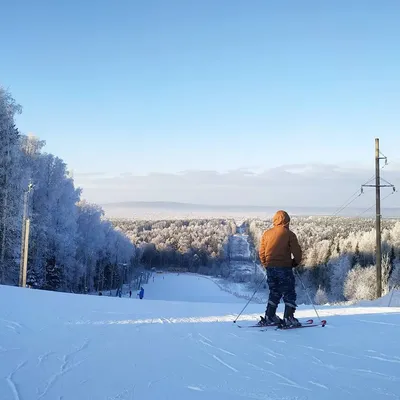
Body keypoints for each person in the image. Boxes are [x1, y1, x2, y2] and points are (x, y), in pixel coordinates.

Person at [258, 210, 302, 327]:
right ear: (287, 221)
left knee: (274, 292)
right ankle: (288, 318)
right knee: (289, 292)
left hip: (271, 268)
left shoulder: (266, 234)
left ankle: (270, 316)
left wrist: (267, 264)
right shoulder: (289, 234)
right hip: (284, 268)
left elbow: (262, 252)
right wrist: (294, 263)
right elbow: (297, 253)